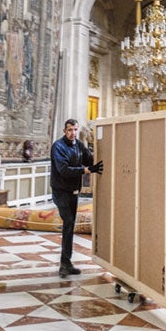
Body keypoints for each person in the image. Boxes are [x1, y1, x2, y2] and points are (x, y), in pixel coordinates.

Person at [50, 118, 103, 278]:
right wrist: (87, 170)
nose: (73, 133)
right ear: (65, 131)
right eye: (70, 130)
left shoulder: (79, 145)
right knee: (69, 223)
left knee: (70, 225)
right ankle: (64, 264)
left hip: (74, 191)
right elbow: (64, 170)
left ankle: (67, 263)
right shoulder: (58, 146)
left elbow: (90, 159)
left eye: (75, 130)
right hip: (60, 191)